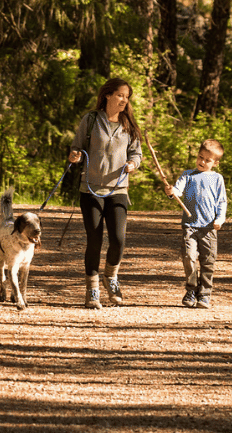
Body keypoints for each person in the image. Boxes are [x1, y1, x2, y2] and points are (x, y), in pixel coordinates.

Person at [68, 77, 142, 309]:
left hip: (118, 189)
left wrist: (133, 164)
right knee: (95, 239)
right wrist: (74, 155)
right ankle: (92, 290)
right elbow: (76, 146)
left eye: (127, 97)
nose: (124, 100)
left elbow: (136, 153)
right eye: (120, 95)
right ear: (108, 95)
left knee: (118, 240)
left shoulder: (129, 124)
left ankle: (110, 277)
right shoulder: (90, 120)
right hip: (91, 189)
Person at [165, 139, 227, 309]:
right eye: (200, 157)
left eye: (207, 160)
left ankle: (205, 293)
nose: (202, 162)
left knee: (208, 261)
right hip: (190, 225)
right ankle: (191, 289)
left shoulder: (217, 179)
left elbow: (222, 202)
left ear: (215, 163)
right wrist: (172, 192)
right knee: (189, 257)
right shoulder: (188, 175)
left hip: (208, 227)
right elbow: (177, 190)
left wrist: (219, 219)